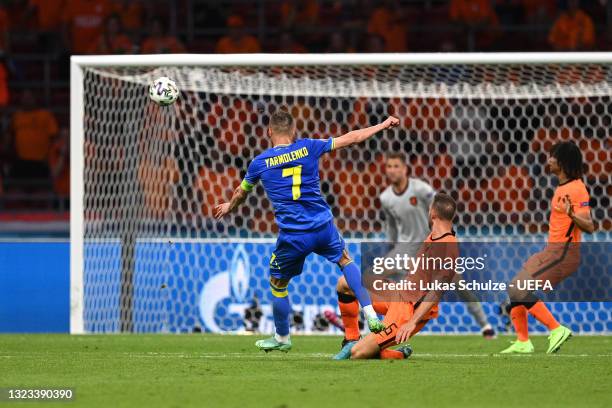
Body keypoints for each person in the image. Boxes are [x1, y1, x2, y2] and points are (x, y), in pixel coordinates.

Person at [214, 110, 400, 352]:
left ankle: (282, 338)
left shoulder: (259, 163)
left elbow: (241, 192)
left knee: (277, 283)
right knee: (346, 260)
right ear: (293, 131)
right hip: (323, 226)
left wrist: (230, 206)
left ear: (269, 132)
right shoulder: (309, 146)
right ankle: (371, 314)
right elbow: (351, 138)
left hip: (293, 235)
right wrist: (382, 125)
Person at [333, 193, 459, 360]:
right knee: (345, 283)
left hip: (407, 310)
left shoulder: (448, 246)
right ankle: (351, 338)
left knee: (358, 353)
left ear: (433, 213)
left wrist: (412, 322)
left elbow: (437, 291)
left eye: (428, 209)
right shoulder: (434, 236)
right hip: (397, 293)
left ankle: (395, 354)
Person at [501, 141, 594, 354]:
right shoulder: (562, 187)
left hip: (563, 254)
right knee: (515, 288)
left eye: (553, 156)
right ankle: (523, 342)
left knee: (518, 288)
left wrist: (572, 215)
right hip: (552, 250)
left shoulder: (577, 189)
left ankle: (556, 329)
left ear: (562, 162)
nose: (548, 159)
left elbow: (589, 226)